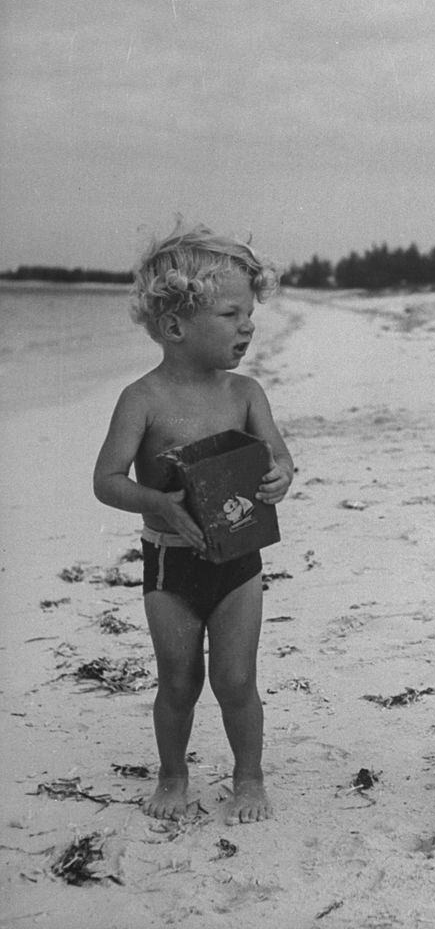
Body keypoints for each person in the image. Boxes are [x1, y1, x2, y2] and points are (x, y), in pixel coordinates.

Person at [93, 219, 294, 824]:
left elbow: (280, 458)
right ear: (175, 326)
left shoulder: (246, 393)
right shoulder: (142, 399)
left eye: (249, 314)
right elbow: (107, 482)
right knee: (179, 682)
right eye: (231, 315)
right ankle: (173, 773)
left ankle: (249, 777)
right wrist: (156, 502)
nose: (248, 326)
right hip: (169, 563)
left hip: (238, 563)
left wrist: (281, 476)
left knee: (237, 681)